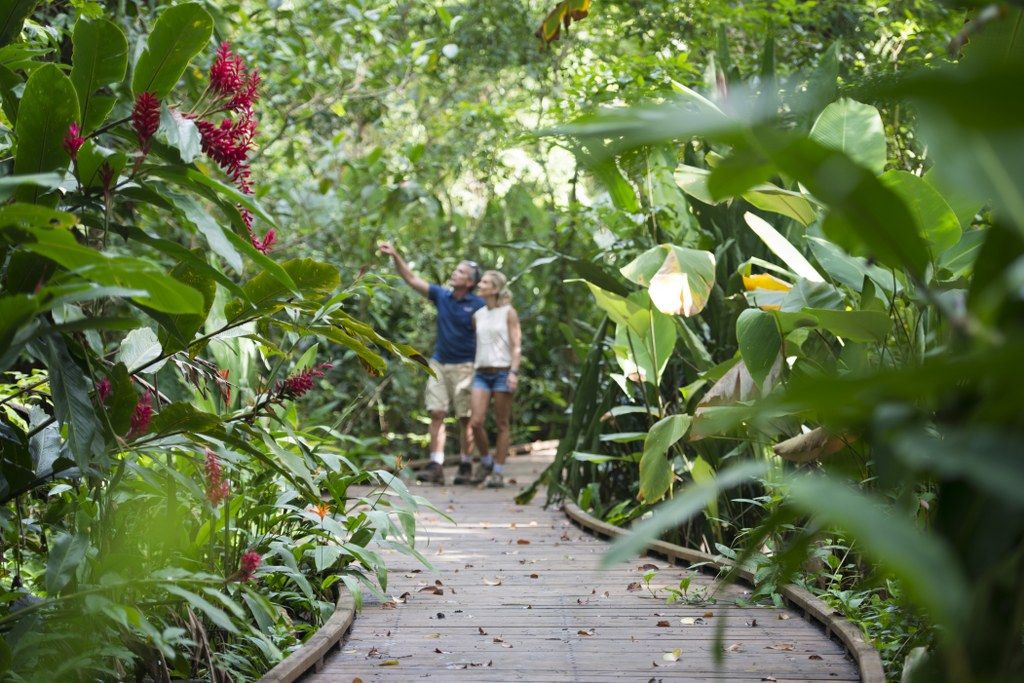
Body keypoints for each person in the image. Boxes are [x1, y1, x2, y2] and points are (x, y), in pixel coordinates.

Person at [379, 242, 484, 485]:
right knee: (436, 412)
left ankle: (465, 463)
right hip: (439, 363)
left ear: (469, 282)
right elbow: (412, 279)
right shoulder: (442, 296)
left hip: (466, 365)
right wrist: (395, 255)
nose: (454, 273)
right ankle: (436, 464)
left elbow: (485, 335)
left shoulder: (478, 305)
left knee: (465, 417)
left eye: (460, 272)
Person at [468, 270, 522, 488]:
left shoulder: (509, 312)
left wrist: (513, 373)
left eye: (485, 282)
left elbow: (516, 346)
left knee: (502, 423)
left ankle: (498, 471)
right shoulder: (478, 315)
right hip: (481, 373)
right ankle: (486, 461)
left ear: (495, 289)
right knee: (475, 422)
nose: (480, 284)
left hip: (502, 372)